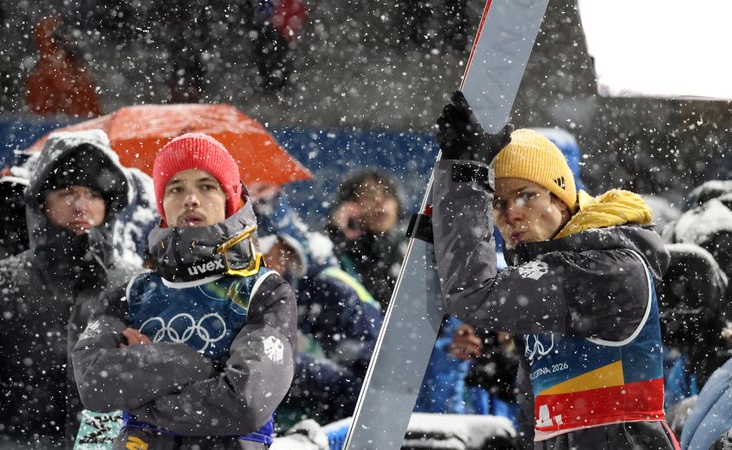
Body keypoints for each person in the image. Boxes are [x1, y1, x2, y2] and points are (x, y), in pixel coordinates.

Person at [432, 91, 676, 448]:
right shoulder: (553, 269)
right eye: (497, 203)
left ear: (561, 199)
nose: (512, 213)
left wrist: (467, 177)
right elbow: (546, 410)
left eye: (526, 194)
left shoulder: (608, 267)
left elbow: (472, 293)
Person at [71, 132, 297, 449]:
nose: (190, 199)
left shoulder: (266, 291)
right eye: (176, 188)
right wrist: (192, 363)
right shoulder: (129, 293)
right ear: (162, 205)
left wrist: (141, 390)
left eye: (206, 186)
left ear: (229, 199)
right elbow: (95, 385)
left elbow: (245, 402)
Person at [0, 129, 137, 448]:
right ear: (41, 201)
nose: (81, 206)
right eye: (67, 192)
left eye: (93, 194)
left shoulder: (136, 286)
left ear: (110, 204)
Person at [254, 190, 382, 426]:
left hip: (330, 431)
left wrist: (288, 365)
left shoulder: (332, 289)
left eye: (264, 252)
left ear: (288, 250)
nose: (257, 264)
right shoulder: (233, 292)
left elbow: (374, 383)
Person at [325, 168, 406, 312]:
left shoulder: (413, 245)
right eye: (370, 196)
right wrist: (336, 232)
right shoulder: (337, 251)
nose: (380, 203)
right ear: (352, 207)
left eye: (387, 194)